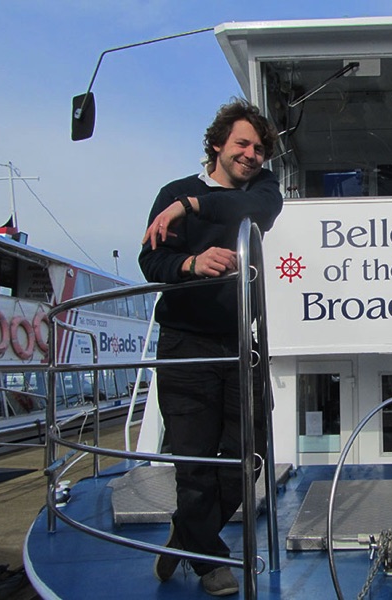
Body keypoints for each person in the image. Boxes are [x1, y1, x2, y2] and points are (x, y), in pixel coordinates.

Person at [139, 99, 282, 596]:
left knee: (253, 452)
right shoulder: (172, 191)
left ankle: (187, 533)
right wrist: (190, 265)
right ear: (217, 144)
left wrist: (191, 207)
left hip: (243, 344)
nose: (251, 154)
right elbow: (151, 263)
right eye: (242, 144)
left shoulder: (260, 191)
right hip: (187, 345)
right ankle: (208, 560)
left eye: (259, 148)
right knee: (195, 460)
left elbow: (253, 211)